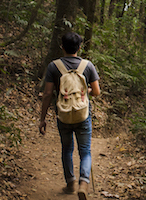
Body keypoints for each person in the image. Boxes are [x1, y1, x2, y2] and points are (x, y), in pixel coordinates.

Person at [38, 32, 100, 200]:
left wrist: (43, 119)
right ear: (79, 47)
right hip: (83, 115)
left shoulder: (53, 66)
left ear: (62, 47)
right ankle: (84, 184)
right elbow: (96, 92)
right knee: (85, 151)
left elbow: (48, 94)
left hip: (63, 115)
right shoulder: (88, 66)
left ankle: (70, 182)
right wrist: (84, 92)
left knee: (67, 149)